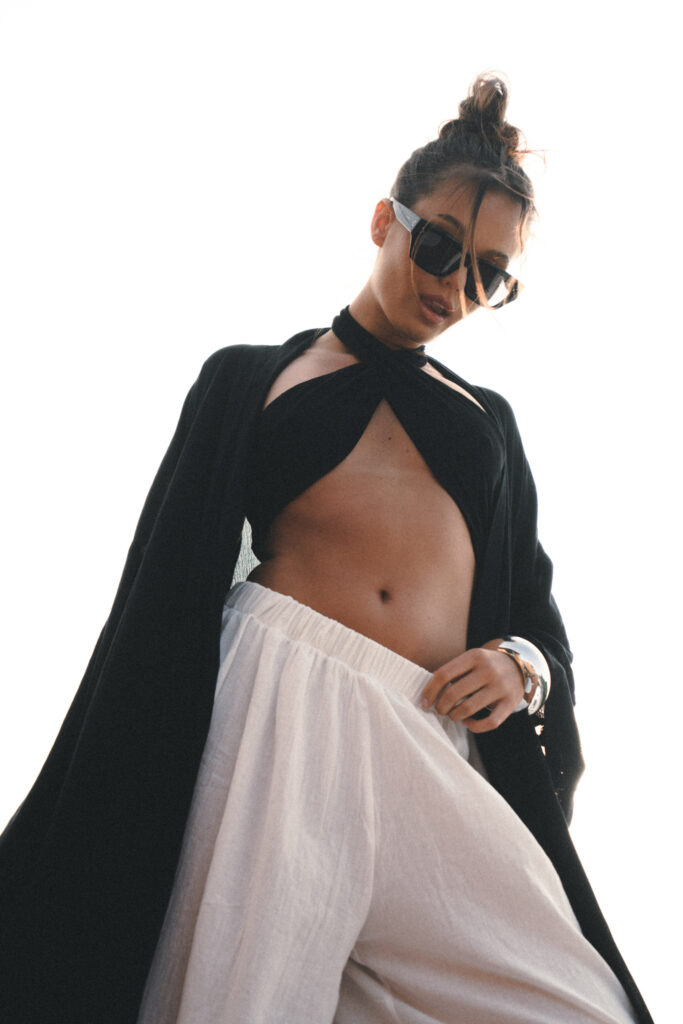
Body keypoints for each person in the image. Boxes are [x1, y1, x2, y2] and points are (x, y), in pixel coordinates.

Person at [0, 74, 654, 1024]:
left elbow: (533, 615)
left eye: (487, 274)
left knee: (577, 1001)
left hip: (429, 731)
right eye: (439, 246)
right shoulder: (248, 379)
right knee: (242, 1000)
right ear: (384, 220)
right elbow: (159, 592)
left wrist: (520, 666)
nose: (453, 286)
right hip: (277, 707)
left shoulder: (489, 423)